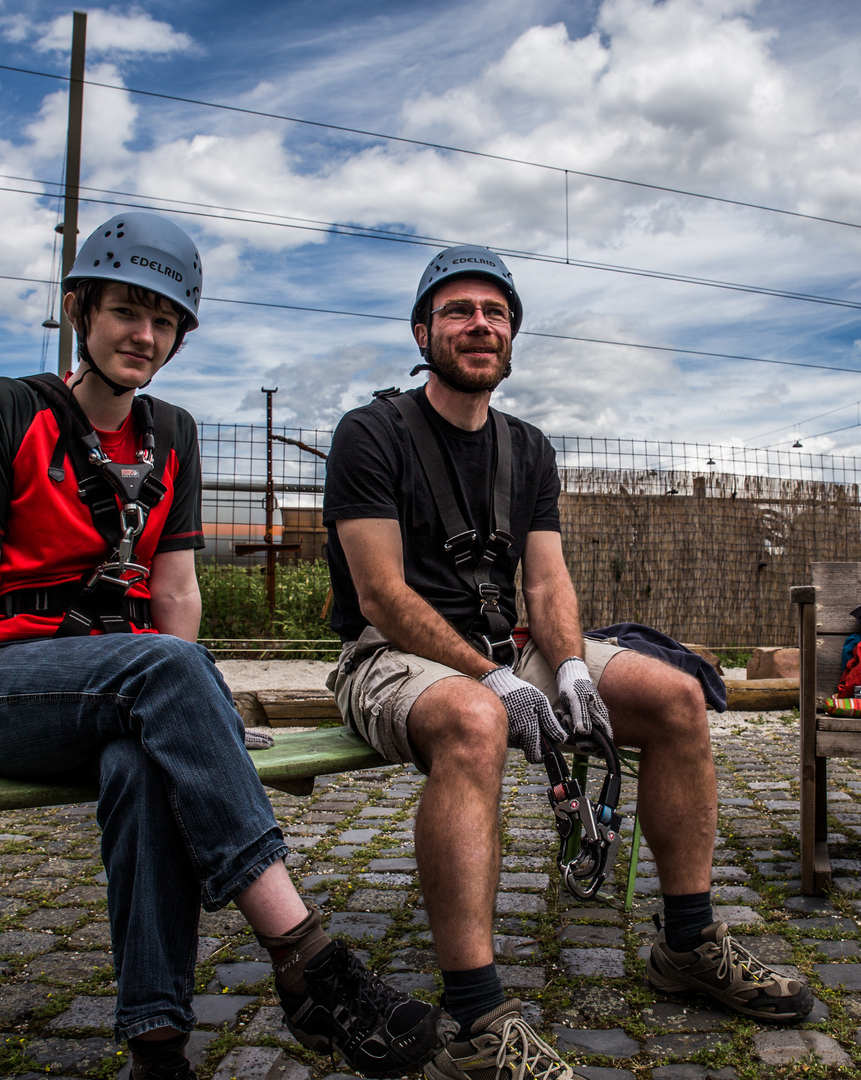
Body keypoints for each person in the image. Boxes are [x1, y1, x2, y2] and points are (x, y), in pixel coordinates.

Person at [0, 212, 452, 1080]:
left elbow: (175, 587)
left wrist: (196, 714)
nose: (145, 334)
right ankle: (308, 959)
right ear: (81, 311)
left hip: (127, 686)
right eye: (127, 312)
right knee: (171, 669)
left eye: (165, 320)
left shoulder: (172, 434)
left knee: (143, 769)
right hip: (1, 689)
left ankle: (158, 1048)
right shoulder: (1, 410)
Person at [323, 245, 813, 1080]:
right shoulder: (372, 433)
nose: (480, 324)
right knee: (476, 721)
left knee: (675, 696)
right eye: (458, 311)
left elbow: (546, 582)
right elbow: (381, 596)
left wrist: (574, 668)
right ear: (422, 331)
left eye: (497, 313)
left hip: (508, 652)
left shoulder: (530, 448)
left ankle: (689, 942)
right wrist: (495, 680)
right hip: (391, 655)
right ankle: (477, 1021)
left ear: (511, 339)